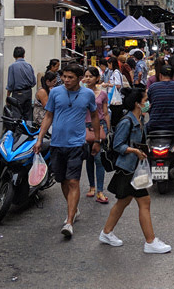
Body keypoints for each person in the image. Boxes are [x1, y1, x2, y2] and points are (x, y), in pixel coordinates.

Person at [100, 88, 171, 253]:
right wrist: (135, 151)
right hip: (128, 169)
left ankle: (106, 232)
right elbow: (117, 145)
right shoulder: (127, 122)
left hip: (134, 168)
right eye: (145, 100)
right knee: (144, 201)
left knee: (123, 201)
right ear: (137, 103)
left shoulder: (140, 120)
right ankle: (150, 241)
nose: (147, 103)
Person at [33, 63, 99, 238]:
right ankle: (74, 209)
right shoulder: (55, 92)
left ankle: (69, 221)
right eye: (64, 77)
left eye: (70, 77)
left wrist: (98, 140)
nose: (66, 80)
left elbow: (94, 116)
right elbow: (48, 116)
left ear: (79, 79)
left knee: (73, 182)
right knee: (62, 180)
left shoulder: (88, 94)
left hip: (77, 144)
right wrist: (40, 138)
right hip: (57, 144)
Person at [147, 64, 174, 160]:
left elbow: (149, 103)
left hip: (154, 124)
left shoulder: (152, 87)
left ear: (160, 76)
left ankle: (143, 153)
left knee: (144, 130)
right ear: (172, 76)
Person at [83, 66, 109, 204]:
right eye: (86, 76)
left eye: (90, 76)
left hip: (99, 127)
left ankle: (100, 190)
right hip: (85, 127)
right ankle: (91, 186)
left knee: (99, 159)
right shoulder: (81, 93)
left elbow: (105, 113)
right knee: (89, 159)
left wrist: (109, 130)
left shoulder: (103, 94)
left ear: (97, 78)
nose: (88, 78)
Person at [6, 46, 36, 121]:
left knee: (17, 114)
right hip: (28, 92)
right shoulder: (29, 66)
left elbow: (10, 84)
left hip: (18, 93)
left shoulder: (12, 67)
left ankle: (18, 132)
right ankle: (28, 130)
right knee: (28, 114)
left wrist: (8, 97)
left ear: (14, 55)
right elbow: (34, 82)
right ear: (24, 55)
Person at [104, 57, 126, 128]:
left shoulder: (116, 72)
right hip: (114, 97)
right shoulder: (115, 72)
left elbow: (118, 85)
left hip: (116, 98)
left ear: (112, 64)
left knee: (115, 118)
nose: (108, 66)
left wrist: (108, 84)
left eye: (109, 65)